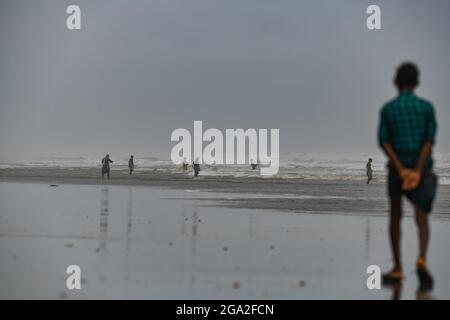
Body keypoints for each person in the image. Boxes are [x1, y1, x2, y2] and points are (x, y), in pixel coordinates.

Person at [378, 62, 438, 291]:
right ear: (417, 83)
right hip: (421, 169)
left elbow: (384, 141)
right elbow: (428, 141)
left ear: (396, 82)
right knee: (421, 217)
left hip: (397, 169)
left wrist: (401, 169)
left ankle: (398, 267)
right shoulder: (426, 108)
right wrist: (418, 170)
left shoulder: (388, 109)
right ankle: (421, 259)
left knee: (395, 215)